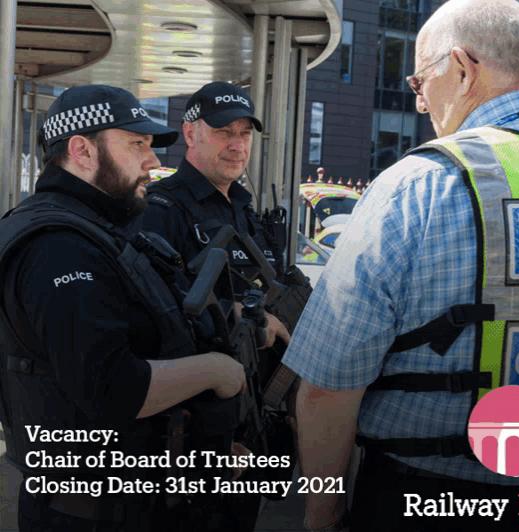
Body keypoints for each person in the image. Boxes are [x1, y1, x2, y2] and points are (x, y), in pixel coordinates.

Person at [281, 1, 519, 531]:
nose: (420, 102)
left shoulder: (417, 185)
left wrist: (322, 518)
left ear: (463, 68)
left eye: (421, 81)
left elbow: (327, 389)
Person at [0, 85, 250, 532]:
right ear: (81, 150)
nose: (152, 161)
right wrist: (217, 370)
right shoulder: (59, 246)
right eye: (136, 144)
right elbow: (112, 388)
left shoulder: (99, 230)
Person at [141, 81, 299, 531]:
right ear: (190, 135)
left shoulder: (246, 211)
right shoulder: (162, 209)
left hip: (254, 416)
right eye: (223, 131)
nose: (237, 144)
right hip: (197, 429)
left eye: (245, 133)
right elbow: (154, 317)